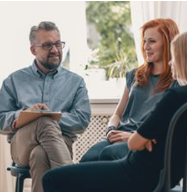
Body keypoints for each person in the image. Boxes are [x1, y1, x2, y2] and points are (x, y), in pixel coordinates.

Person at [42, 31, 187, 192]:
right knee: (88, 162)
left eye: (175, 57)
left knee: (51, 178)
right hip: (159, 174)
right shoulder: (180, 97)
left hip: (134, 172)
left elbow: (134, 143)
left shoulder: (174, 96)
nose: (171, 63)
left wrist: (144, 137)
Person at [0, 21, 91, 192]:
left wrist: (51, 116)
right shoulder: (13, 80)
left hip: (61, 143)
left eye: (58, 44)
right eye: (48, 45)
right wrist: (24, 114)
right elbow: (1, 119)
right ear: (33, 50)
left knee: (40, 154)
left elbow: (82, 120)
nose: (55, 50)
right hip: (22, 145)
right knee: (43, 122)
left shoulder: (75, 82)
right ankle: (72, 183)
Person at [81, 18, 179, 162]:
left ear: (168, 43)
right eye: (144, 41)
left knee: (108, 155)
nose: (146, 47)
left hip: (143, 139)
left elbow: (169, 127)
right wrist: (110, 130)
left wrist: (133, 136)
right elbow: (117, 114)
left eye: (152, 41)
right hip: (118, 134)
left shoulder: (177, 82)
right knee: (87, 159)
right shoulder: (135, 75)